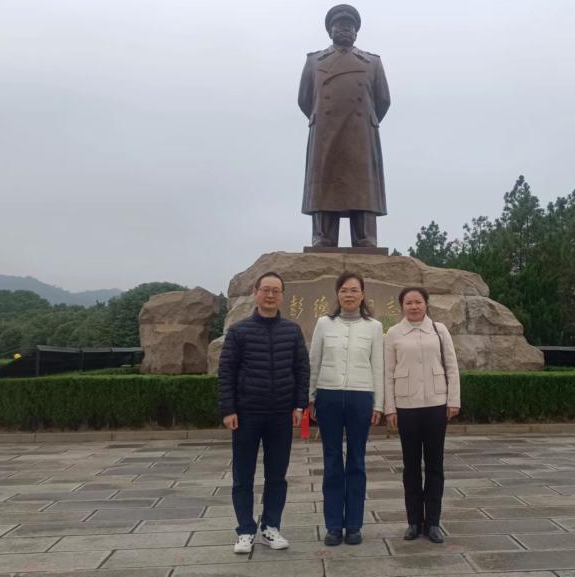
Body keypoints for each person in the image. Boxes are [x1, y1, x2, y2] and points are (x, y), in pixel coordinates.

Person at [217, 272, 310, 554]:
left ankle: (271, 526)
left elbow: (302, 369)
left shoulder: (292, 331)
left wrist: (299, 405)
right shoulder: (239, 331)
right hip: (247, 414)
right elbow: (226, 372)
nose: (270, 295)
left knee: (277, 475)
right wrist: (228, 409)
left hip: (281, 414)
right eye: (265, 289)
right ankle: (245, 530)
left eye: (276, 291)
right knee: (243, 476)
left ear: (282, 295)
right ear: (256, 292)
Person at [298, 4, 391, 248]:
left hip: (360, 133)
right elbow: (305, 100)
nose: (346, 30)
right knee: (325, 182)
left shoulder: (372, 62)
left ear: (356, 32)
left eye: (350, 26)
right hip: (325, 133)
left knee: (362, 184)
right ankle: (324, 236)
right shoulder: (314, 61)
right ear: (330, 31)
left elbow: (382, 100)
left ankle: (364, 236)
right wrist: (324, 120)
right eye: (340, 25)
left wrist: (364, 122)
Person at [308, 271, 384, 545]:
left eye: (354, 290)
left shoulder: (374, 326)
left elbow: (378, 366)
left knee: (356, 460)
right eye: (344, 290)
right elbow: (314, 361)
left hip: (360, 397)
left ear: (362, 294)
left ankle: (353, 525)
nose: (349, 295)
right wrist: (311, 397)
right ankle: (333, 526)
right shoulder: (324, 323)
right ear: (337, 294)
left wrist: (379, 404)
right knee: (331, 460)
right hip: (328, 396)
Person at [383, 287, 461, 544]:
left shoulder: (439, 330)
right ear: (401, 306)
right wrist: (390, 408)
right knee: (411, 466)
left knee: (435, 464)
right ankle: (414, 522)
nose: (414, 307)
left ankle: (433, 522)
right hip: (407, 406)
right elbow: (388, 373)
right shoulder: (393, 333)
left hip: (436, 404)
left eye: (418, 302)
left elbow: (452, 367)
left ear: (426, 304)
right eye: (408, 303)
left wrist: (453, 400)